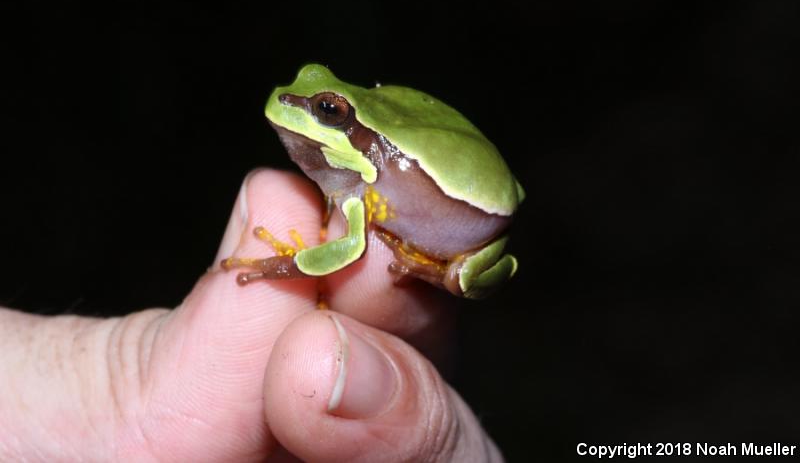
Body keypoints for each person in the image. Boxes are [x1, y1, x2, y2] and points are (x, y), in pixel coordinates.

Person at [0, 169, 503, 462]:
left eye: (327, 112)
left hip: (472, 249)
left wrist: (274, 265)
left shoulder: (363, 190)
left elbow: (351, 250)